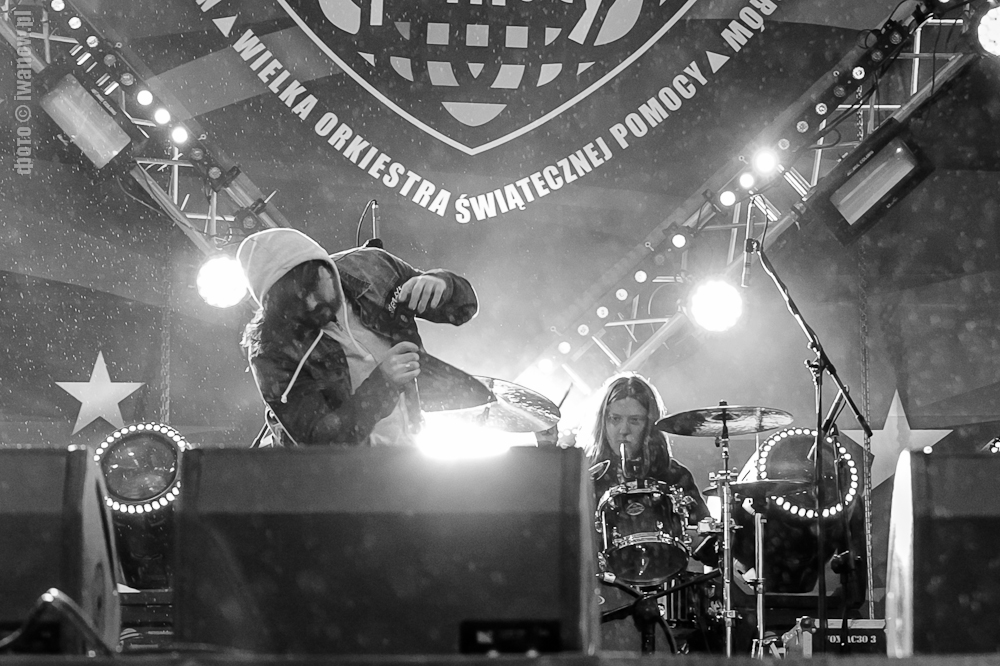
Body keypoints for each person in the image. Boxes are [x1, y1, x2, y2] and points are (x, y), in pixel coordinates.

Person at [237, 227, 478, 447]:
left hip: (412, 448)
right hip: (344, 474)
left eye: (312, 286)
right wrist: (383, 384)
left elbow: (463, 310)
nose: (311, 304)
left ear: (326, 266)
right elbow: (318, 442)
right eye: (293, 302)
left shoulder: (373, 268)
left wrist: (444, 285)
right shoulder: (271, 350)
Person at [585, 372, 710, 524]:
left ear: (649, 426)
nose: (624, 430)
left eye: (634, 420)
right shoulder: (587, 477)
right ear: (602, 421)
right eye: (615, 419)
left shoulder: (675, 476)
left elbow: (703, 533)